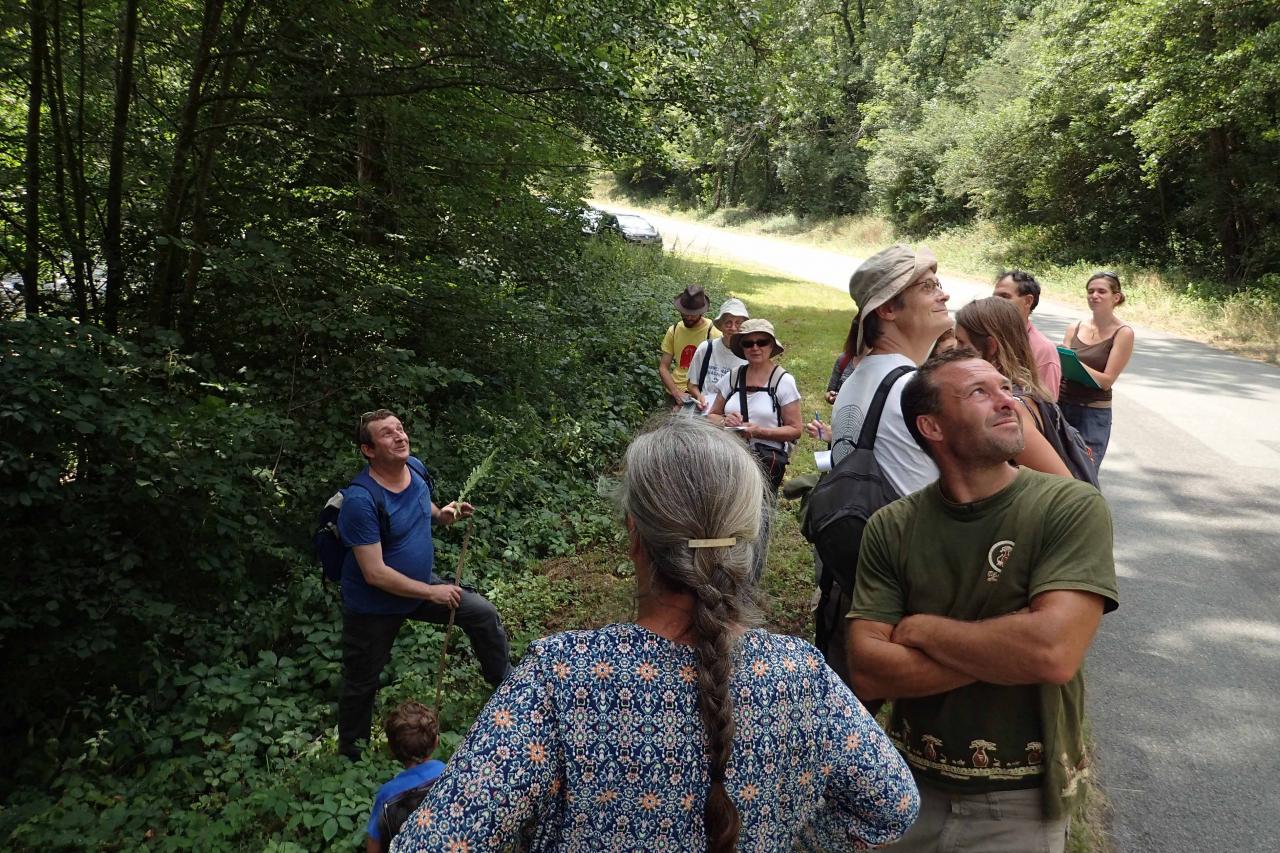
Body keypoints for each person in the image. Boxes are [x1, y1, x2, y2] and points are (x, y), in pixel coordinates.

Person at [393, 416, 920, 852]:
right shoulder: (800, 675)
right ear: (749, 538)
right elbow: (894, 805)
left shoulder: (562, 677)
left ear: (634, 537)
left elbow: (431, 843)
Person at [847, 348, 1119, 853]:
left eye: (1005, 388)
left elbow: (1052, 653)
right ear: (932, 427)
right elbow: (868, 671)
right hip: (906, 785)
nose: (1008, 402)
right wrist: (1010, 642)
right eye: (980, 392)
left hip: (1018, 803)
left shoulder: (1069, 506)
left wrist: (922, 631)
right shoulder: (892, 526)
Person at [337, 410, 511, 760]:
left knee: (481, 614)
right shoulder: (361, 501)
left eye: (400, 429)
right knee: (361, 681)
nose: (399, 436)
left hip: (418, 588)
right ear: (368, 450)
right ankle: (351, 755)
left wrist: (442, 514)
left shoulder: (413, 468)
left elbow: (421, 503)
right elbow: (376, 574)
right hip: (375, 606)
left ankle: (506, 683)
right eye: (387, 434)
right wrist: (432, 592)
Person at [824, 244, 951, 497]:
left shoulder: (854, 379)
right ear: (888, 309)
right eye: (927, 286)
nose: (944, 295)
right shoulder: (914, 388)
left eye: (939, 284)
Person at [954, 297, 1072, 478]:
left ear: (991, 347)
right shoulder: (1018, 391)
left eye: (962, 343)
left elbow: (1066, 487)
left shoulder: (1011, 409)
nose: (955, 350)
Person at [708, 318, 802, 495]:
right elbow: (712, 415)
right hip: (730, 459)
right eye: (748, 343)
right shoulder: (733, 377)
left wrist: (760, 431)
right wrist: (726, 422)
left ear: (771, 346)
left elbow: (796, 430)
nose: (755, 347)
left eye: (762, 342)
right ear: (742, 348)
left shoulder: (783, 381)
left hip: (765, 463)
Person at [1059, 271, 1134, 472]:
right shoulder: (1074, 327)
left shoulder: (1123, 333)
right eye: (1090, 291)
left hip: (1092, 413)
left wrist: (1072, 362)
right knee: (1055, 472)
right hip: (1061, 406)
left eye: (1102, 291)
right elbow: (1059, 367)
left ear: (1116, 297)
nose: (1094, 295)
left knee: (1083, 474)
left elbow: (1107, 380)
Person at [365, 700, 445, 853]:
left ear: (393, 752)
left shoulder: (387, 794)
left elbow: (373, 845)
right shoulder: (446, 773)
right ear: (436, 742)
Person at [993, 270, 1061, 400]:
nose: (996, 302)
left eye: (1004, 297)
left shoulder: (1043, 349)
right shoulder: (987, 336)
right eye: (994, 296)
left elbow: (1048, 406)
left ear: (1028, 301)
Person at [659, 285, 721, 409]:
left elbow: (718, 372)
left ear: (702, 312)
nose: (688, 317)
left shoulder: (713, 333)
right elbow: (663, 367)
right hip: (675, 390)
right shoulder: (674, 330)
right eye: (685, 313)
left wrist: (698, 396)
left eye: (692, 314)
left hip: (700, 393)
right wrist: (676, 393)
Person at [686, 297, 749, 413]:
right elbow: (691, 385)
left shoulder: (749, 355)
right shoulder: (706, 348)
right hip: (704, 412)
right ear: (720, 325)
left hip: (734, 416)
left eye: (738, 323)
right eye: (728, 323)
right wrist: (699, 396)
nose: (733, 328)